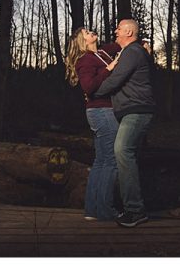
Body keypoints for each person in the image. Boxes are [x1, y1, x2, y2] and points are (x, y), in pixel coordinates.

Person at [95, 18, 155, 229]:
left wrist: (93, 91)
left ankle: (136, 211)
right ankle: (128, 206)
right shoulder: (132, 52)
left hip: (137, 111)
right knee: (125, 155)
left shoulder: (132, 52)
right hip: (132, 111)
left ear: (129, 32)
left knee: (122, 150)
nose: (115, 31)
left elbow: (115, 80)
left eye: (119, 28)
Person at [65, 27, 119, 223]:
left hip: (101, 112)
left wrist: (140, 42)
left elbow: (121, 43)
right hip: (101, 111)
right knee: (111, 161)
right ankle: (105, 210)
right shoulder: (86, 59)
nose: (91, 32)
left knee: (100, 161)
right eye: (86, 33)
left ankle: (92, 210)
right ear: (82, 41)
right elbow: (88, 86)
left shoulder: (102, 52)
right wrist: (109, 69)